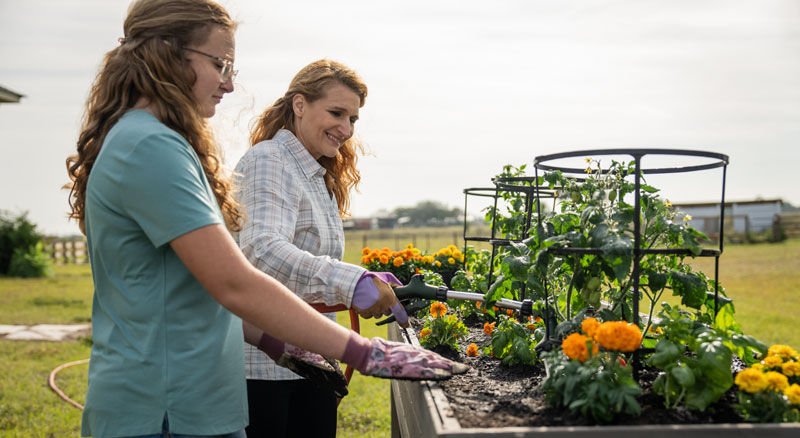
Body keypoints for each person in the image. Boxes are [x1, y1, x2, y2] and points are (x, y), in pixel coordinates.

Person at [64, 1, 466, 437]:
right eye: (221, 64)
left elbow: (194, 289)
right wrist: (365, 352)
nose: (229, 84)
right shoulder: (152, 148)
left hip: (187, 404)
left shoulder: (150, 141)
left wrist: (274, 341)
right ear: (169, 54)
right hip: (166, 409)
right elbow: (236, 281)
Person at [233, 59, 410, 437]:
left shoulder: (315, 173)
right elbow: (261, 252)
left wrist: (361, 280)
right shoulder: (270, 161)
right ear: (299, 104)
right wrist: (351, 283)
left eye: (353, 119)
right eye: (336, 113)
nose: (345, 128)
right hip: (264, 372)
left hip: (311, 362)